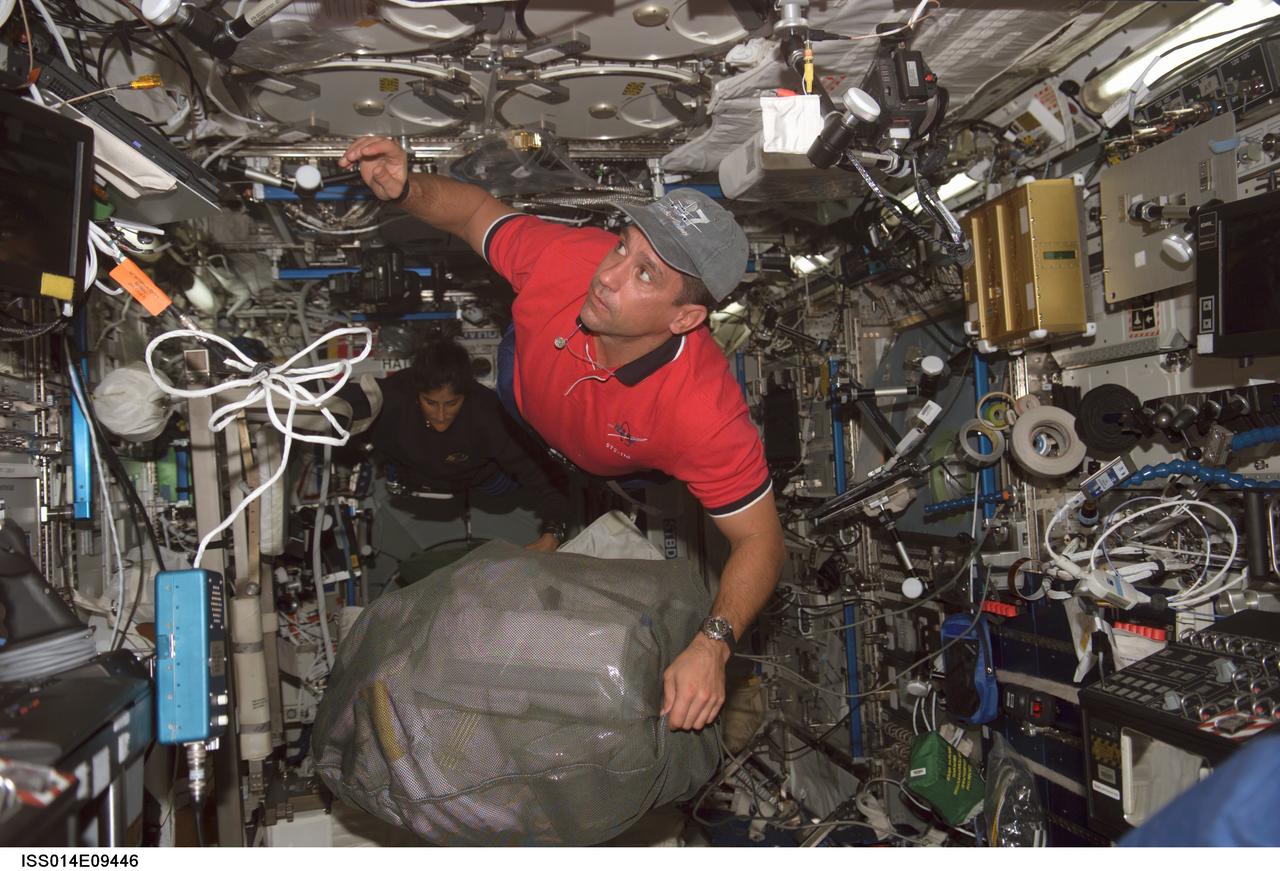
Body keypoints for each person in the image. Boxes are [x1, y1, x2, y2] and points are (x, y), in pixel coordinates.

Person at [339, 137, 784, 733]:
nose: (608, 276)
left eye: (644, 274)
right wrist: (406, 186)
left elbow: (761, 540)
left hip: (618, 457)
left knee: (632, 479)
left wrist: (714, 643)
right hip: (523, 389)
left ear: (685, 318)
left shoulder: (703, 415)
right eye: (623, 248)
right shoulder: (571, 261)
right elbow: (475, 212)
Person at [340, 337, 570, 552]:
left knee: (507, 485)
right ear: (416, 393)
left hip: (484, 478)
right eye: (430, 402)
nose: (441, 415)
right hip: (410, 471)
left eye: (451, 403)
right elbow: (340, 403)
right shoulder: (391, 399)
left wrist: (554, 531)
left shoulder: (488, 416)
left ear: (465, 395)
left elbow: (545, 478)